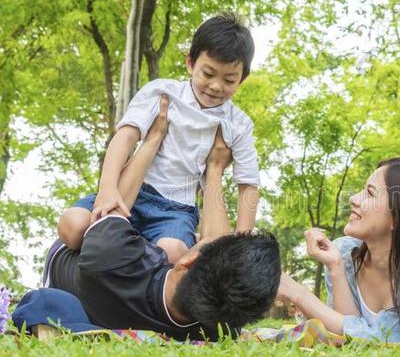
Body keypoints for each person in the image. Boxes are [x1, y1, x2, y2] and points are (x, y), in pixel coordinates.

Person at [43, 97, 280, 341]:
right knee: (175, 249)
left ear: (189, 260)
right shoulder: (215, 329)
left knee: (87, 225)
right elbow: (215, 243)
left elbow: (115, 201)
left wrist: (152, 140)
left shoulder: (111, 256)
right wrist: (215, 168)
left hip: (80, 255)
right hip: (135, 270)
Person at [57, 12, 260, 263]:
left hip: (176, 211)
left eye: (229, 80)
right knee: (73, 226)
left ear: (242, 79)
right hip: (134, 190)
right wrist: (108, 188)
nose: (216, 86)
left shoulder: (238, 124)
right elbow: (125, 137)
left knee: (172, 253)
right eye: (208, 74)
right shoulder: (162, 92)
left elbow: (248, 185)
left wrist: (243, 239)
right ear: (190, 63)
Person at [277, 158, 400, 342]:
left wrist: (299, 294)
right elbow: (347, 336)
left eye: (370, 193)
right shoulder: (344, 253)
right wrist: (336, 267)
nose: (353, 199)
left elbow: (378, 339)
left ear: (399, 217)